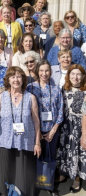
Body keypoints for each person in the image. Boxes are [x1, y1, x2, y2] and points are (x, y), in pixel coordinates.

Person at [0, 66, 41, 196]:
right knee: (5, 173)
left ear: (23, 79)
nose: (16, 79)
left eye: (19, 76)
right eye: (13, 76)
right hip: (4, 140)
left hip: (25, 141)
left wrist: (37, 143)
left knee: (24, 175)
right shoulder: (1, 97)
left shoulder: (30, 97)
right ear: (8, 80)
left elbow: (36, 121)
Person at [26, 60, 63, 196]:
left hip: (51, 130)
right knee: (34, 158)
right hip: (35, 131)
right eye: (41, 70)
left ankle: (49, 186)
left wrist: (53, 130)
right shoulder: (30, 88)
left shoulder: (56, 89)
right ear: (37, 72)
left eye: (47, 70)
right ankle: (34, 185)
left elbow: (60, 111)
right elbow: (27, 111)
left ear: (50, 72)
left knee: (50, 158)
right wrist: (37, 133)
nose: (44, 73)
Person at [56, 65, 86, 193]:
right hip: (65, 126)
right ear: (68, 76)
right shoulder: (64, 89)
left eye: (78, 74)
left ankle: (77, 179)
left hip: (79, 128)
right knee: (65, 151)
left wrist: (84, 133)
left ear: (83, 77)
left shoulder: (85, 92)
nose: (75, 77)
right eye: (72, 74)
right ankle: (64, 174)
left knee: (77, 153)